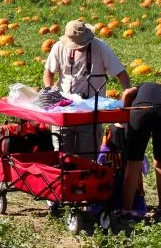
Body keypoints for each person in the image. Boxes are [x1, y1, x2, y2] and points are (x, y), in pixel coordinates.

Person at [43, 20, 133, 155]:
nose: (79, 47)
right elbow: (48, 73)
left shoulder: (101, 47)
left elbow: (122, 74)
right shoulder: (58, 47)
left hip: (91, 114)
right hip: (64, 111)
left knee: (88, 159)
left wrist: (127, 101)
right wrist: (51, 92)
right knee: (61, 156)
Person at [120, 82, 161, 220]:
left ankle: (126, 211)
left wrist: (123, 115)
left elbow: (127, 94)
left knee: (134, 163)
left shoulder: (142, 86)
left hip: (142, 111)